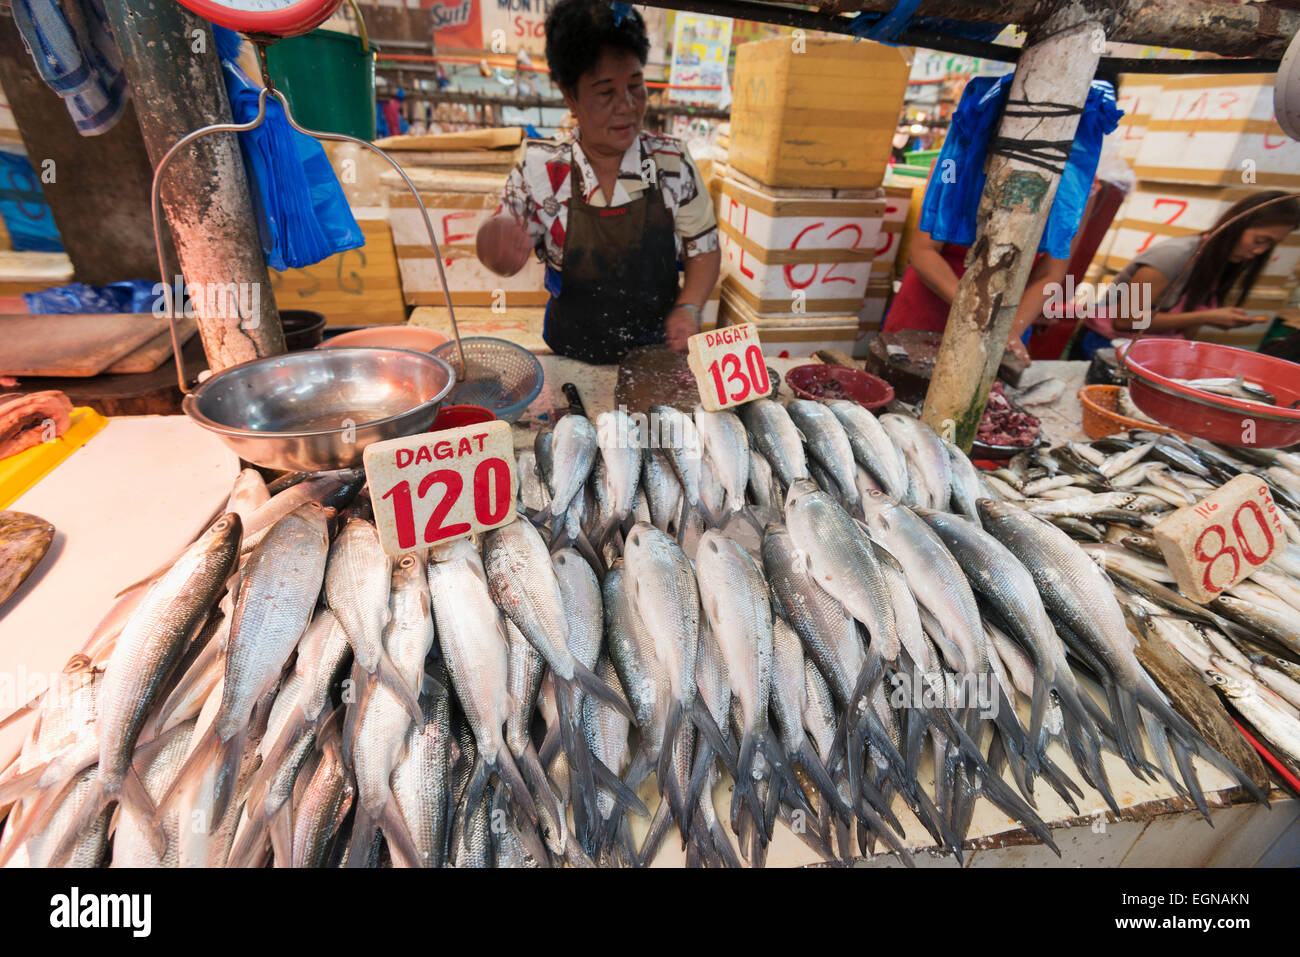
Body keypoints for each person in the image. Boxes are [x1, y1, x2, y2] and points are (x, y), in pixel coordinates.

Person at [475, 0, 720, 364]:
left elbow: (704, 249)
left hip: (656, 357)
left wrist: (689, 307)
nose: (627, 105)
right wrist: (496, 244)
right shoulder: (540, 167)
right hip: (570, 356)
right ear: (570, 96)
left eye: (636, 86)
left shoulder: (671, 163)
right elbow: (501, 253)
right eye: (606, 92)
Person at [1077, 190, 1300, 356]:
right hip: (1105, 347)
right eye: (1259, 241)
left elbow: (1187, 329)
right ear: (1237, 225)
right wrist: (1207, 317)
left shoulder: (1219, 264)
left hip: (1152, 350)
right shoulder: (1172, 256)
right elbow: (1126, 320)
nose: (1259, 251)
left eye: (1269, 246)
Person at [882, 227, 1067, 364]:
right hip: (933, 302)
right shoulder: (953, 173)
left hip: (1006, 317)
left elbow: (1050, 274)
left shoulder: (1077, 182)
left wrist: (1009, 331)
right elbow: (923, 250)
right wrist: (975, 310)